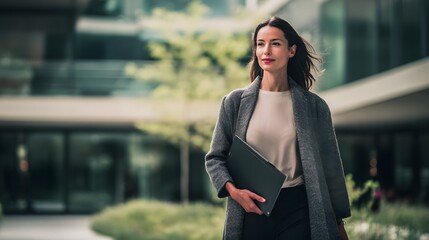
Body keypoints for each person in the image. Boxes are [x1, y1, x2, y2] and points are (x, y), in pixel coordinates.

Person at [205, 16, 351, 240]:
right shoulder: (234, 102)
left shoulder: (314, 106)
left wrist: (338, 222)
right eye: (260, 44)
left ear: (291, 50)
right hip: (252, 207)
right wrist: (234, 193)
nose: (266, 51)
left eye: (275, 43)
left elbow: (332, 167)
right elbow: (215, 158)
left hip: (300, 208)